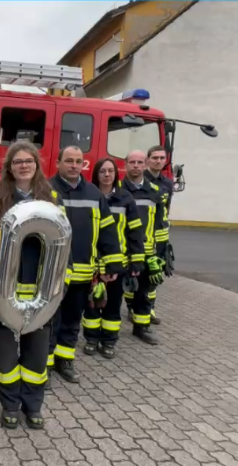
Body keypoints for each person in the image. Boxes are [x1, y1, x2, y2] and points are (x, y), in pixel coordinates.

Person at [0, 140, 56, 429]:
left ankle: (33, 406)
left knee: (37, 355)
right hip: (4, 294)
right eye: (17, 161)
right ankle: (9, 404)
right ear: (9, 167)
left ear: (36, 165)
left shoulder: (50, 198)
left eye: (28, 161)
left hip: (40, 292)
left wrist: (60, 285)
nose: (23, 166)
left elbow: (63, 242)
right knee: (6, 354)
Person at [48, 145, 124, 383]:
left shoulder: (94, 194)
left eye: (78, 161)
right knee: (48, 321)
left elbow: (107, 230)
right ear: (58, 163)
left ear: (83, 164)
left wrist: (112, 264)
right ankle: (44, 365)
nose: (74, 165)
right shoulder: (46, 190)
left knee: (72, 322)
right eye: (68, 160)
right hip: (52, 273)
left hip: (82, 275)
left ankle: (65, 360)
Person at [81, 158, 145, 359]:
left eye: (110, 171)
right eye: (103, 171)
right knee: (92, 305)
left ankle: (109, 341)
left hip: (117, 264)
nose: (107, 175)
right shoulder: (89, 196)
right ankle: (91, 339)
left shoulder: (126, 198)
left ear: (116, 174)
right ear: (96, 174)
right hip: (92, 264)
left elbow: (135, 232)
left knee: (113, 306)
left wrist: (136, 261)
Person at [120, 150, 167, 345]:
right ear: (126, 164)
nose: (136, 166)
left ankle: (141, 327)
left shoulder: (155, 192)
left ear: (145, 164)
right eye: (132, 162)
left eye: (140, 162)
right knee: (113, 293)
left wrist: (161, 254)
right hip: (120, 250)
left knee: (143, 293)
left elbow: (160, 225)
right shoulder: (116, 190)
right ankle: (104, 331)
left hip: (145, 252)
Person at [143, 145, 174, 325]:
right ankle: (134, 307)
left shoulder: (167, 183)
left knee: (156, 274)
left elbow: (166, 209)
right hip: (143, 235)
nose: (158, 161)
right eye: (155, 158)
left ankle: (150, 308)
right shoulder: (140, 180)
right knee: (140, 273)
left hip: (160, 236)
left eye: (162, 158)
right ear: (148, 160)